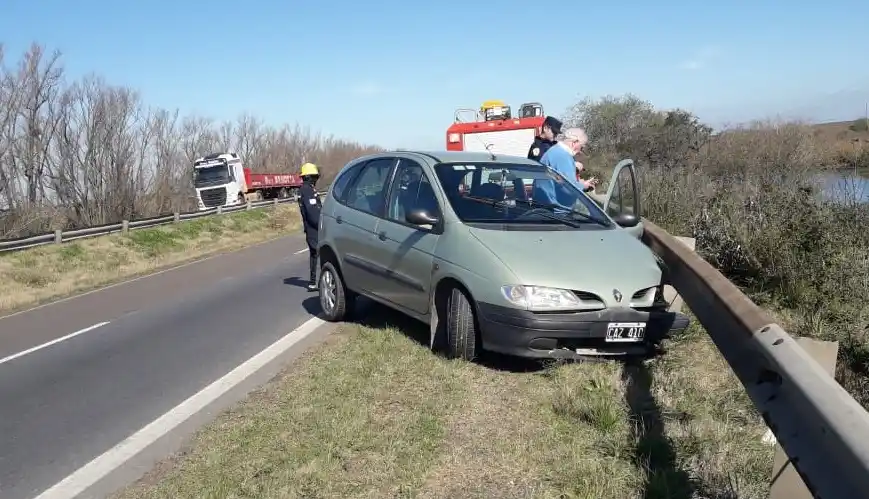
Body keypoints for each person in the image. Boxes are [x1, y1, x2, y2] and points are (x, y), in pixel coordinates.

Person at [297, 162, 322, 291]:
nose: (316, 179)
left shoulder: (307, 189)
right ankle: (317, 281)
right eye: (314, 177)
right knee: (319, 253)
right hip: (314, 228)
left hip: (312, 228)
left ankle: (313, 282)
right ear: (308, 177)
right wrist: (322, 225)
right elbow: (312, 212)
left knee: (315, 254)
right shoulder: (306, 190)